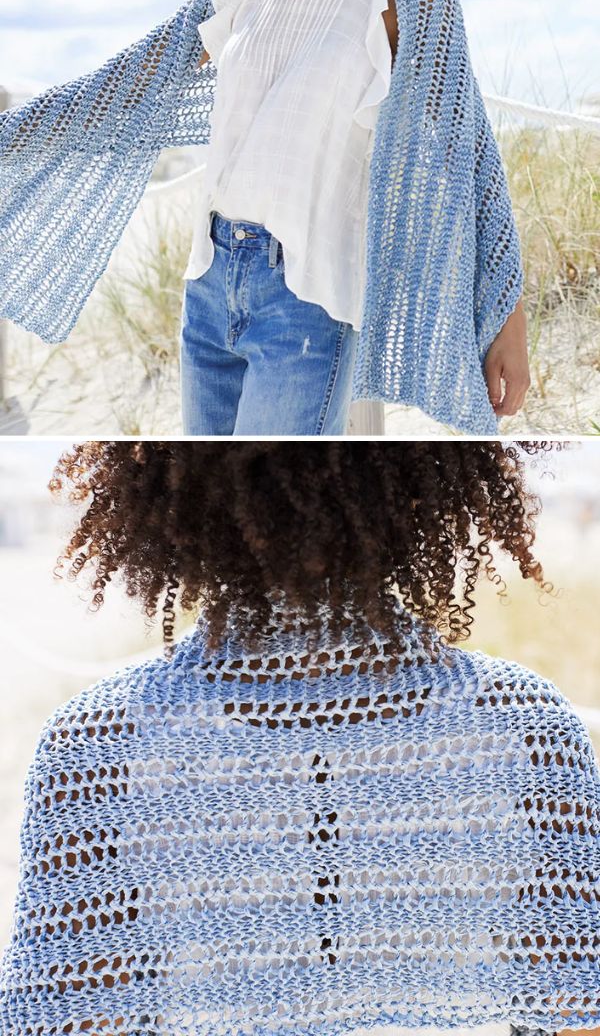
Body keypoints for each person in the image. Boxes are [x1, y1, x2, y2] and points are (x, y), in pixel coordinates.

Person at [0, 440, 598, 1034]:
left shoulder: (98, 741)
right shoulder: (527, 725)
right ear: (422, 497)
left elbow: (75, 1015)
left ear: (178, 499)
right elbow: (576, 1009)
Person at [0, 0, 530, 437]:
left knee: (277, 505)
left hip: (304, 300)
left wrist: (509, 325)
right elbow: (124, 90)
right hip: (208, 282)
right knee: (210, 506)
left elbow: (470, 162)